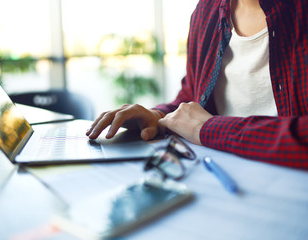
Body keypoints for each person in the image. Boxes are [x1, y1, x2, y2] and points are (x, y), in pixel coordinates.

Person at [86, 0, 308, 169]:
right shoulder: (206, 11)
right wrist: (159, 116)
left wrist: (209, 129)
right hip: (219, 171)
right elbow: (193, 94)